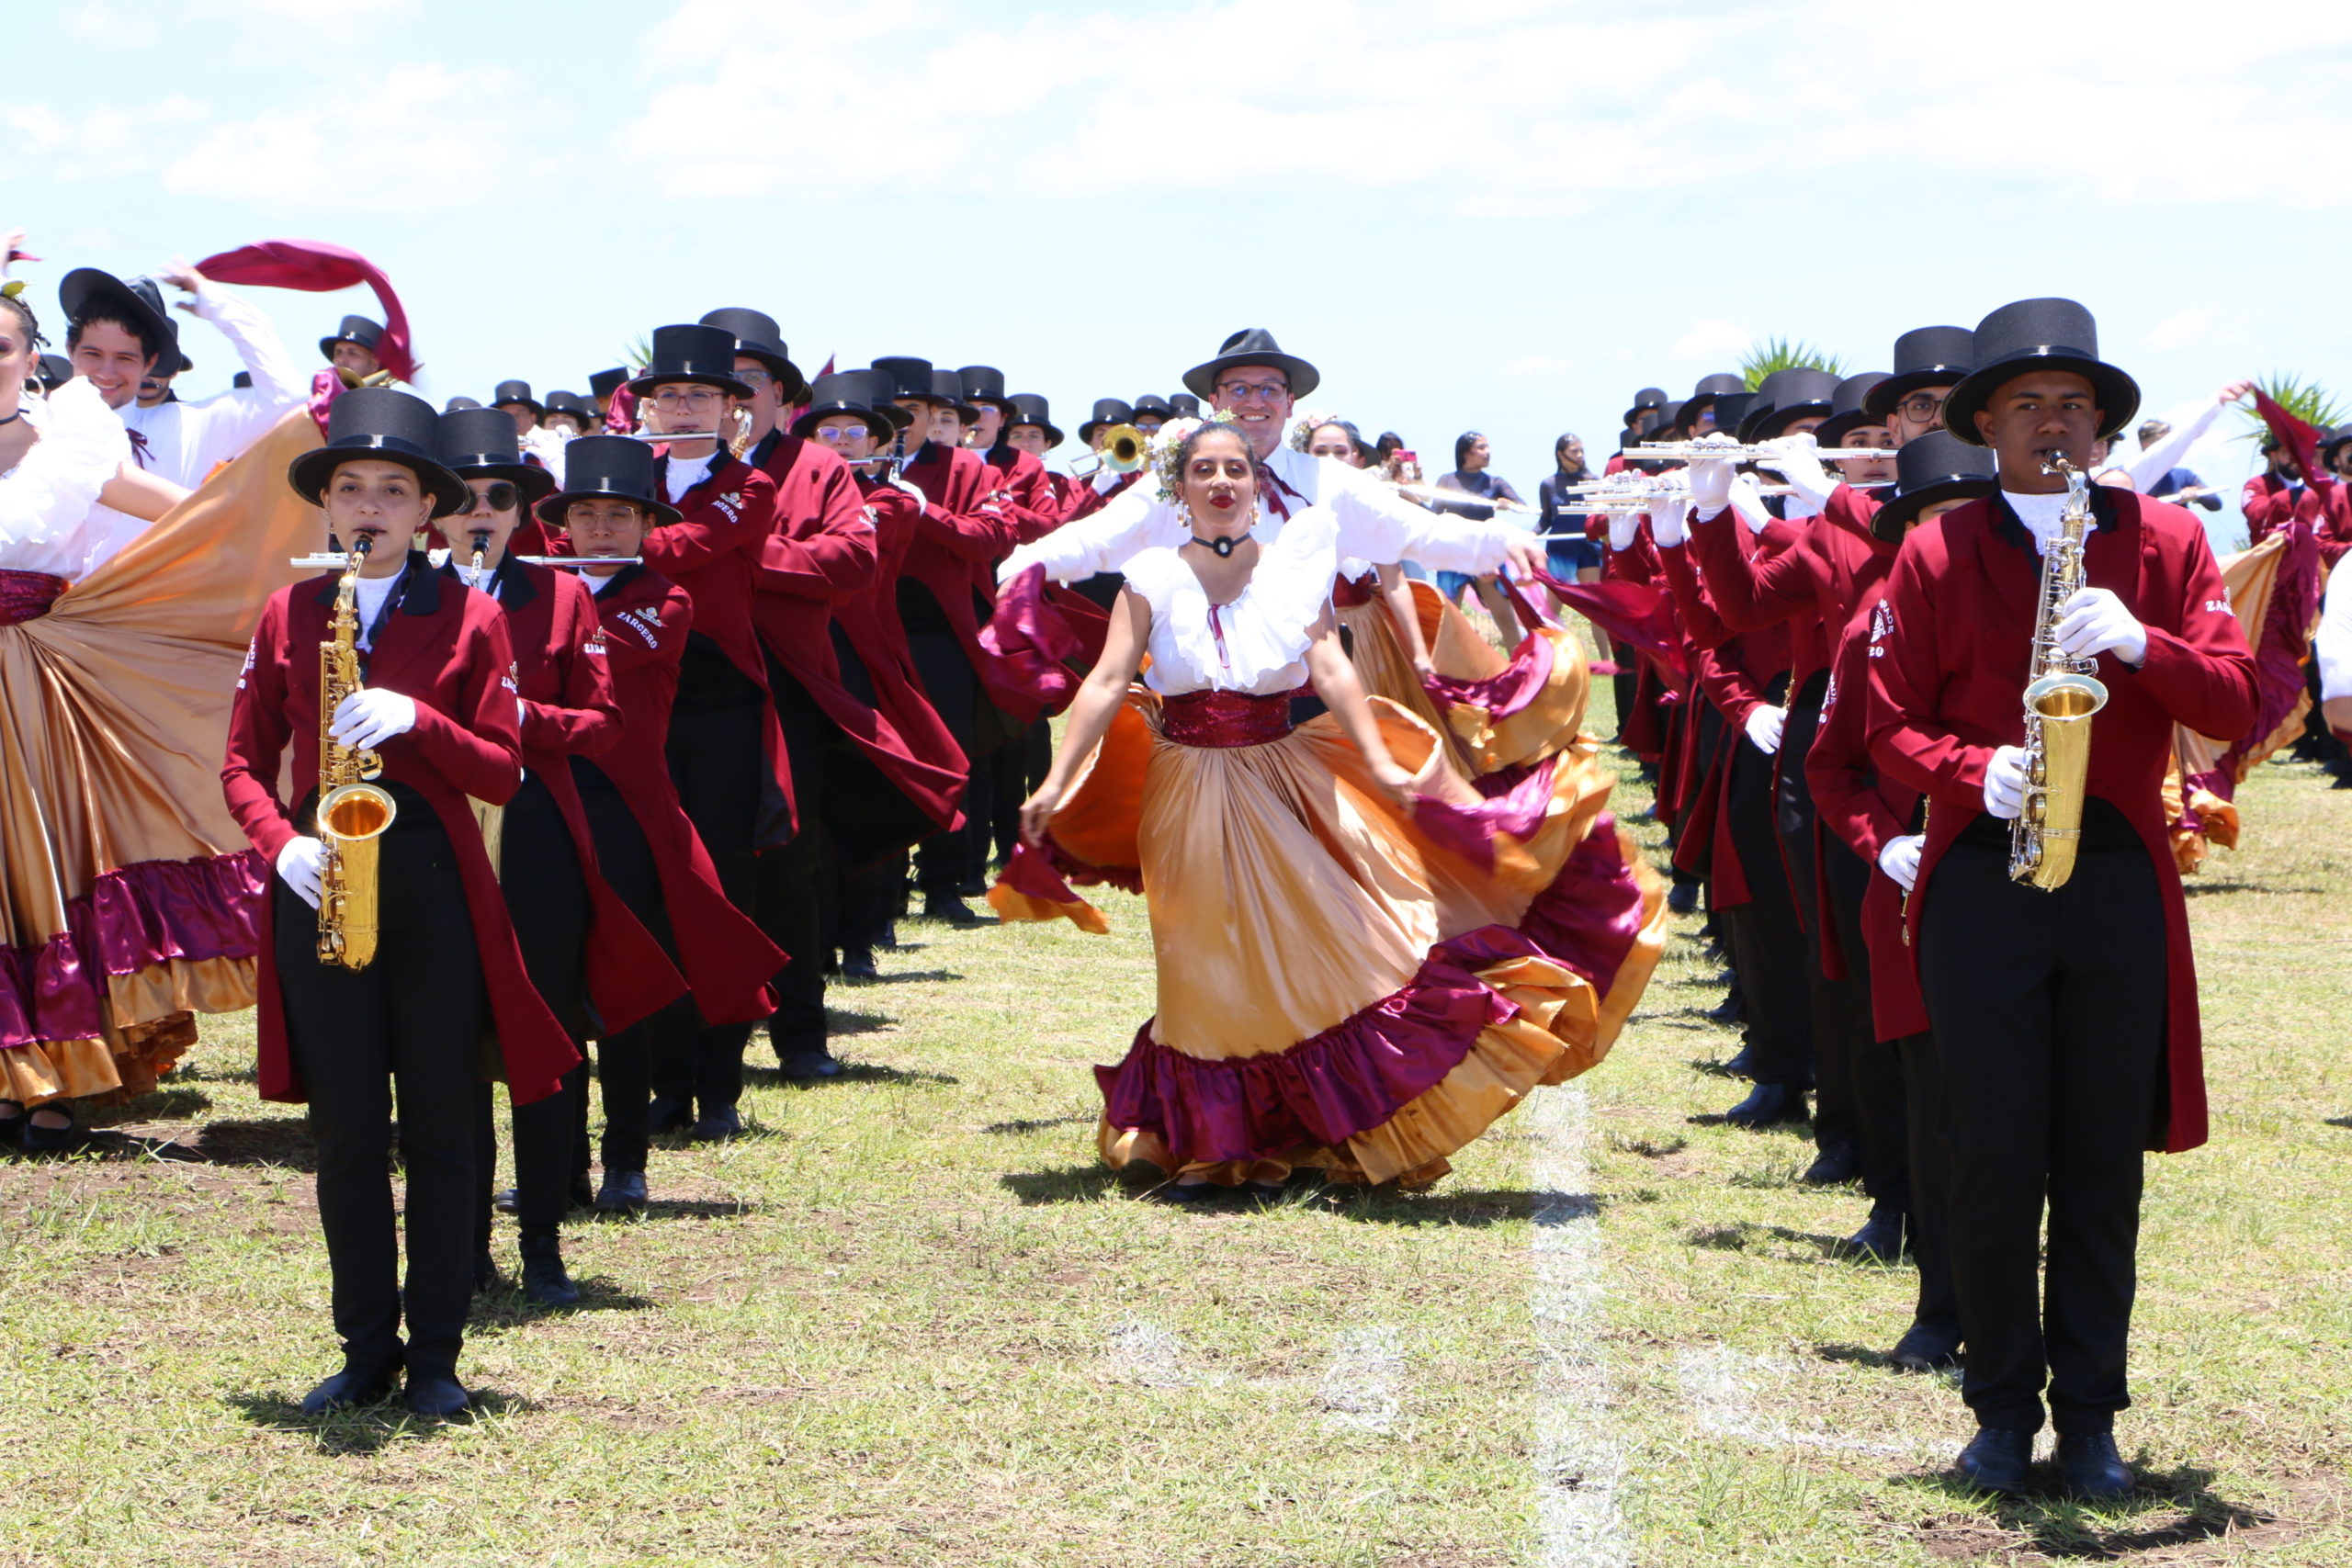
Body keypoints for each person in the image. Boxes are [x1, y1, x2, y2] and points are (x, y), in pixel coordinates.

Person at [1003, 420, 1665, 1194]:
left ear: (1257, 486)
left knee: (1324, 946)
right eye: (1204, 472)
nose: (1221, 484)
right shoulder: (1149, 574)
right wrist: (1056, 781)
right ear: (1178, 492)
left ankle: (1318, 1124)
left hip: (1279, 775)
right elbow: (1108, 681)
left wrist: (1378, 753)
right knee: (1198, 960)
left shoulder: (1295, 568)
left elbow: (1332, 668)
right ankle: (1215, 1137)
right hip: (1182, 786)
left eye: (1236, 472)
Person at [1864, 298, 2256, 1498]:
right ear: (1985, 422)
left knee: (2100, 1158)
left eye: (2074, 405)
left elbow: (2237, 700)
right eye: (2027, 402)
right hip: (1985, 872)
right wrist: (1973, 769)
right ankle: (1998, 1406)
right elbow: (1888, 726)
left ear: (2101, 427)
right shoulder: (1934, 548)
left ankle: (2090, 1415)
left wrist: (2145, 645)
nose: (2053, 422)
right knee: (1988, 1149)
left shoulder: (2170, 542)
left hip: (2121, 870)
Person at [220, 387, 578, 1417]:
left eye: (392, 489)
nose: (369, 507)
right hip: (318, 875)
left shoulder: (470, 613)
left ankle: (437, 1357)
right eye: (350, 489)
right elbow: (242, 763)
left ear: (426, 512)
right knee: (344, 1132)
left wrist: (418, 718)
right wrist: (280, 845)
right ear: (326, 508)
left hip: (429, 877)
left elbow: (506, 771)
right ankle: (364, 1348)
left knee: (438, 1124)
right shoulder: (289, 613)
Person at [0, 288, 283, 1147]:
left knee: (35, 872)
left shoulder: (70, 439)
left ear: (29, 357)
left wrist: (286, 545)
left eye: (2, 348)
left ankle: (44, 1080)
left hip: (30, 680)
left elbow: (196, 523)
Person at [434, 409, 686, 1307]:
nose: (480, 510)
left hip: (535, 831)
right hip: (431, 836)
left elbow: (604, 723)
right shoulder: (397, 590)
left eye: (499, 496)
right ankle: (461, 1249)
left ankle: (542, 1243)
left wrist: (512, 719)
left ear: (520, 511)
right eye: (461, 495)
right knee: (445, 1049)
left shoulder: (563, 597)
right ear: (433, 508)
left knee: (541, 1039)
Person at [537, 436, 786, 1206]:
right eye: (586, 513)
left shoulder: (666, 598)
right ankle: (558, 1164)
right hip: (546, 807)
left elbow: (573, 661)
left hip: (626, 815)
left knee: (622, 992)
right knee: (552, 990)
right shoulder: (535, 596)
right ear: (564, 525)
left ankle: (624, 1158)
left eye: (620, 513)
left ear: (647, 524)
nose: (602, 528)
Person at [1804, 430, 1999, 1373]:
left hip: (2039, 888)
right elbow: (1832, 766)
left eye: (1974, 510)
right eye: (1934, 514)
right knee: (1936, 1110)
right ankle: (1941, 1302)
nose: (1955, 531)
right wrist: (1884, 848)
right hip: (1919, 898)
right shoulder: (1869, 623)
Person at [999, 329, 1544, 591]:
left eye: (1269, 389)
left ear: (1289, 402)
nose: (1253, 402)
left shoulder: (1326, 481)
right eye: (1238, 388)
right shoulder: (1172, 487)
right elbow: (1096, 538)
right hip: (1196, 715)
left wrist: (1499, 541)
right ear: (1214, 402)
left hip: (1311, 700)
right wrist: (1028, 563)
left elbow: (1417, 534)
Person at [626, 324, 786, 1138]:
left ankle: (719, 1081)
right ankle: (661, 1078)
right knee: (646, 886)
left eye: (699, 395)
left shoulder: (750, 486)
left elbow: (684, 547)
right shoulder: (627, 477)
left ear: (733, 408)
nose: (681, 407)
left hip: (720, 707)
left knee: (722, 886)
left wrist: (613, 541)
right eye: (668, 395)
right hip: (636, 703)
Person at [871, 355, 1026, 926]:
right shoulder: (848, 462)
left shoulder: (968, 468)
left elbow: (992, 538)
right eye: (891, 412)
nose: (901, 422)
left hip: (937, 634)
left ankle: (943, 881)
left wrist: (922, 510)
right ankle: (878, 897)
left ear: (937, 415)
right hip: (866, 630)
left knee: (949, 755)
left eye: (913, 411)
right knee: (879, 758)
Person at [61, 264, 305, 491]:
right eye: (92, 354)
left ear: (150, 363)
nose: (106, 372)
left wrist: (215, 301)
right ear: (70, 349)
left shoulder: (184, 428)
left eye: (125, 358)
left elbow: (287, 395)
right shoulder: (38, 422)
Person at [1535, 432, 1599, 584]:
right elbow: (1545, 519)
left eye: (1581, 451)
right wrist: (1530, 534)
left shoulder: (1594, 481)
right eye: (1574, 451)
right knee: (1554, 603)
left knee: (1593, 601)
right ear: (1560, 454)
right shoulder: (1548, 484)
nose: (1579, 455)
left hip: (1588, 546)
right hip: (1560, 547)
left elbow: (1600, 515)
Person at [320, 315, 385, 381]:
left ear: (374, 365)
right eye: (338, 353)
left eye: (352, 353)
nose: (341, 360)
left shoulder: (387, 392)